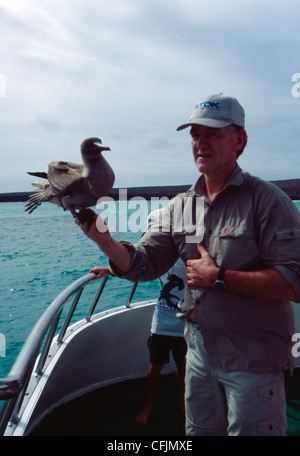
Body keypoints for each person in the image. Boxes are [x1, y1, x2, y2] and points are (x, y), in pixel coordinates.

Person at [75, 93, 300, 436]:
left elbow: (293, 279)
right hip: (199, 353)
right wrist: (103, 240)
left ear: (239, 139)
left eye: (212, 133)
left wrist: (219, 278)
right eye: (195, 134)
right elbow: (145, 264)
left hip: (252, 359)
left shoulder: (268, 201)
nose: (200, 143)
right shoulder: (181, 206)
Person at [135, 209, 187, 426]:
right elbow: (132, 265)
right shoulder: (155, 260)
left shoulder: (188, 256)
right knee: (155, 365)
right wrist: (109, 269)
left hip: (186, 324)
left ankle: (182, 402)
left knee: (184, 367)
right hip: (162, 324)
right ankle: (148, 405)